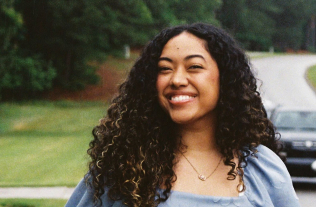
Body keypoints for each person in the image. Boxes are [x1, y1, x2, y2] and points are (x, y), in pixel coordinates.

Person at [65, 23, 300, 207]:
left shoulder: (264, 169)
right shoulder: (122, 167)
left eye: (194, 67)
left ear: (226, 79)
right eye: (164, 69)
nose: (176, 80)